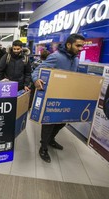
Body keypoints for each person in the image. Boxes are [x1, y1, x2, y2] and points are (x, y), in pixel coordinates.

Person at [31, 33, 85, 163]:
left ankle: (51, 139)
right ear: (68, 44)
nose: (80, 48)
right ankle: (43, 148)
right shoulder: (56, 57)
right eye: (78, 45)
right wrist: (36, 80)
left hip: (67, 96)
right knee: (49, 123)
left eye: (82, 46)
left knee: (62, 121)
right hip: (53, 96)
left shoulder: (76, 60)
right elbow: (37, 70)